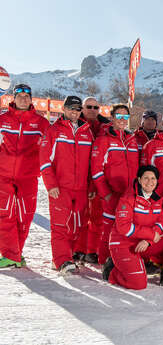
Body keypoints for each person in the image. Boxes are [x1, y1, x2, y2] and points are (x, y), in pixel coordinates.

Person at [103, 165, 163, 289]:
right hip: (124, 244)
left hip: (143, 243)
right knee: (139, 284)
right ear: (139, 179)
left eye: (153, 178)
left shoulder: (157, 200)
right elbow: (124, 227)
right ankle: (112, 271)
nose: (150, 182)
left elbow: (160, 223)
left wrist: (148, 241)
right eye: (146, 178)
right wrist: (151, 235)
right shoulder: (128, 198)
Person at [40, 96, 93, 273]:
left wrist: (91, 187)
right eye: (71, 108)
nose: (74, 112)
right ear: (64, 109)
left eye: (78, 109)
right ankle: (61, 260)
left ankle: (70, 255)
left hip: (81, 189)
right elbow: (45, 160)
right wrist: (51, 184)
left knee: (78, 225)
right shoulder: (54, 130)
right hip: (61, 187)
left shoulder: (87, 131)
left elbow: (93, 163)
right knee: (60, 225)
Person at [0, 84, 49, 268]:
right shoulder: (2, 120)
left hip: (28, 177)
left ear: (31, 99)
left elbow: (51, 147)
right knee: (5, 215)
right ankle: (10, 254)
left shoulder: (41, 123)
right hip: (3, 176)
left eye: (26, 96)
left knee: (25, 216)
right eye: (19, 95)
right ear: (13, 98)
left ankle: (16, 254)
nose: (23, 98)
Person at [91, 104, 139, 264]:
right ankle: (104, 261)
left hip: (129, 195)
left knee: (126, 229)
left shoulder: (132, 140)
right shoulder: (103, 140)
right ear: (112, 118)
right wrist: (106, 194)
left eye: (125, 117)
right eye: (119, 116)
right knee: (109, 228)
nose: (122, 120)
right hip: (112, 194)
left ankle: (122, 259)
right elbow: (96, 170)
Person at [73, 96, 110, 264]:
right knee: (79, 215)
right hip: (78, 176)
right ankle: (77, 249)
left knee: (97, 217)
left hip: (97, 177)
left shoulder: (104, 127)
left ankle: (91, 250)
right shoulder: (74, 123)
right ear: (82, 108)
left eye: (96, 107)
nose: (93, 110)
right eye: (89, 107)